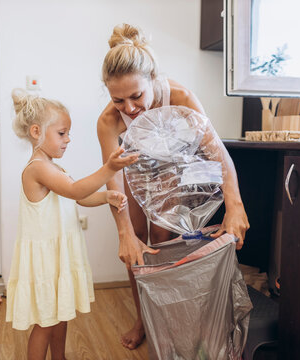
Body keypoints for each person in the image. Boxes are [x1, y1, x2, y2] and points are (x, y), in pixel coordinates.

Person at [97, 23, 250, 349]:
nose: (129, 108)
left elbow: (218, 155)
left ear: (152, 80)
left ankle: (171, 316)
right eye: (118, 100)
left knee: (163, 241)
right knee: (135, 245)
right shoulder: (109, 121)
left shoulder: (181, 98)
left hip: (175, 165)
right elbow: (114, 183)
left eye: (136, 96)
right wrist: (123, 232)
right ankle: (143, 317)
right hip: (135, 166)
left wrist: (235, 205)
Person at [5, 89, 138, 360]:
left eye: (68, 133)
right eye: (62, 133)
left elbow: (77, 198)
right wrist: (109, 169)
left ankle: (60, 357)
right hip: (45, 258)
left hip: (58, 256)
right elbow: (76, 190)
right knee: (45, 322)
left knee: (61, 313)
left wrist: (105, 197)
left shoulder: (54, 168)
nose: (68, 139)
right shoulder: (37, 169)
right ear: (36, 132)